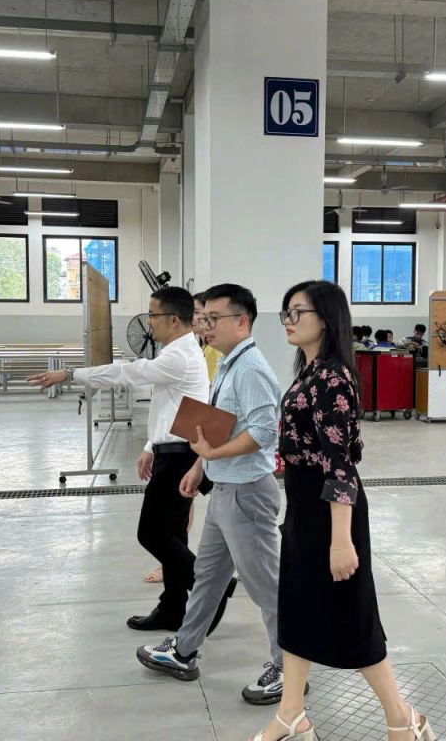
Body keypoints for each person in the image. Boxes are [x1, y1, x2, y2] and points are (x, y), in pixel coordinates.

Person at [247, 280, 434, 741]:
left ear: (327, 320)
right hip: (304, 506)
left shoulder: (333, 378)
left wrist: (340, 539)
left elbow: (340, 465)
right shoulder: (310, 372)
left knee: (351, 617)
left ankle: (402, 718)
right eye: (286, 313)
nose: (288, 321)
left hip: (331, 513)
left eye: (298, 312)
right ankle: (291, 714)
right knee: (296, 608)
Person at [136, 283, 291, 706]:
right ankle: (184, 652)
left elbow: (264, 432)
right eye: (202, 319)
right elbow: (220, 425)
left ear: (242, 321)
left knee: (266, 585)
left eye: (213, 319)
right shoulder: (225, 364)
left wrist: (212, 455)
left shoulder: (250, 368)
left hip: (247, 493)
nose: (204, 326)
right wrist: (199, 466)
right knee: (207, 577)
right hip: (225, 489)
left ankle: (289, 668)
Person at [26, 287, 209, 632]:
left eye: (153, 315)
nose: (148, 321)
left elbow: (126, 373)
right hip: (174, 451)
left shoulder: (179, 356)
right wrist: (152, 445)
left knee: (151, 534)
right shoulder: (181, 352)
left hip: (180, 457)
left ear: (173, 319)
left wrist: (70, 374)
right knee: (172, 535)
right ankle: (173, 608)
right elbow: (171, 407)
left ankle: (210, 586)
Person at [145, 291, 223, 585]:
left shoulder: (207, 353)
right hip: (187, 441)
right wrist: (151, 444)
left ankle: (198, 576)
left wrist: (200, 456)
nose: (202, 322)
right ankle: (175, 587)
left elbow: (208, 405)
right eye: (201, 316)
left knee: (163, 529)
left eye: (207, 317)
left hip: (193, 443)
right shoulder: (198, 350)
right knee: (176, 524)